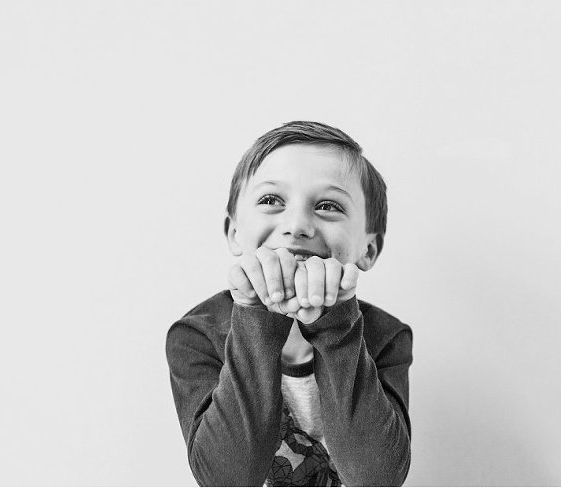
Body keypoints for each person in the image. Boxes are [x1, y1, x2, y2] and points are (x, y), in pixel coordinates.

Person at [166, 121, 413, 486]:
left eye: (328, 205)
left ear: (368, 249)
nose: (297, 225)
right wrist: (256, 313)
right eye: (271, 201)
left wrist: (337, 324)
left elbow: (376, 479)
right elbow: (228, 480)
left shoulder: (387, 336)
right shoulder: (196, 335)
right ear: (234, 233)